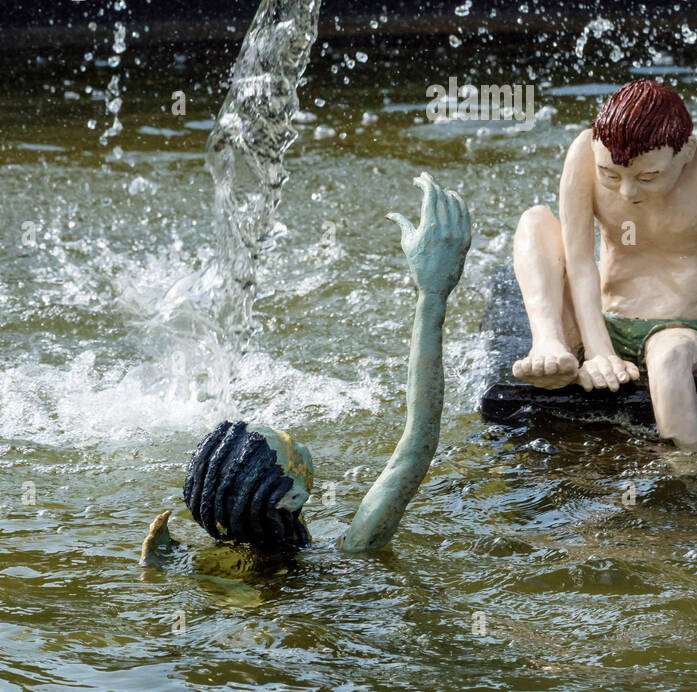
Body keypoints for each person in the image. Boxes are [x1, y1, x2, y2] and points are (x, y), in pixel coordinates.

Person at [141, 173, 470, 565]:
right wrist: (432, 293)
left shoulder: (228, 563)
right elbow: (417, 446)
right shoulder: (353, 549)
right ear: (293, 498)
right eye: (288, 443)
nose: (290, 435)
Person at [511, 79, 697, 450]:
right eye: (610, 176)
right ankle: (549, 345)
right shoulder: (584, 150)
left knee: (668, 358)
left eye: (648, 177)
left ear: (686, 152)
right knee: (534, 220)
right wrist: (598, 352)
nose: (627, 192)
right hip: (605, 322)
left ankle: (687, 473)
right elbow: (579, 261)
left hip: (684, 326)